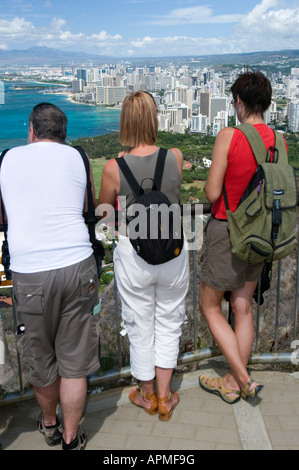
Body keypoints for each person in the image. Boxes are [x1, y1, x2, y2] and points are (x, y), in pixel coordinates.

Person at [0, 103, 100, 449]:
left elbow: (3, 218)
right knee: (73, 361)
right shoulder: (78, 157)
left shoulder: (7, 158)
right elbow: (87, 209)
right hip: (77, 264)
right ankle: (72, 439)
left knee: (41, 357)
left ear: (31, 130)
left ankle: (49, 424)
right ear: (64, 134)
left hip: (30, 273)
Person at [98, 91, 189, 421]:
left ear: (124, 121)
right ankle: (166, 397)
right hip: (173, 251)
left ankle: (146, 394)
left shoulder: (113, 167)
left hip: (133, 253)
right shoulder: (175, 157)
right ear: (153, 119)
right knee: (169, 319)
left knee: (139, 324)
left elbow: (104, 215)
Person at [198, 72, 278, 403]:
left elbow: (212, 191)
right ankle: (231, 381)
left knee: (211, 306)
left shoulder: (229, 135)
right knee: (242, 306)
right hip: (262, 233)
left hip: (227, 230)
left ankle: (242, 379)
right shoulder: (278, 138)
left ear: (240, 102)